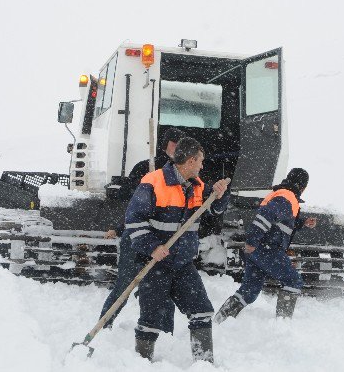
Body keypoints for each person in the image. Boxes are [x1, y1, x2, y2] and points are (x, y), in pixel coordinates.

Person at [126, 137, 230, 362]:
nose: (202, 166)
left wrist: (220, 196)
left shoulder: (197, 186)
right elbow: (134, 220)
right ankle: (141, 364)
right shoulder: (153, 182)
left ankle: (204, 364)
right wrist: (152, 247)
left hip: (182, 263)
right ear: (191, 160)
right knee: (150, 320)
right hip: (154, 263)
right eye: (200, 161)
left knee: (202, 311)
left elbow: (209, 213)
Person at [98, 127, 186, 328]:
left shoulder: (182, 175)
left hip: (162, 241)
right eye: (175, 143)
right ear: (166, 145)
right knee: (125, 285)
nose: (179, 148)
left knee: (164, 288)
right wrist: (120, 228)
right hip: (136, 237)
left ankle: (164, 332)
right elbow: (134, 209)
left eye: (182, 144)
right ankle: (104, 325)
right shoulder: (145, 168)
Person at [214, 168, 316, 323]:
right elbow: (264, 217)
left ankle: (220, 320)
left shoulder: (281, 194)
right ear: (303, 187)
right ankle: (283, 324)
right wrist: (251, 241)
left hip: (258, 251)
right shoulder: (286, 198)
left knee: (249, 292)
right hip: (268, 249)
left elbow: (280, 221)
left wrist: (302, 222)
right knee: (293, 281)